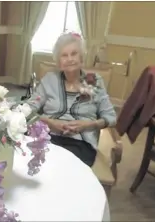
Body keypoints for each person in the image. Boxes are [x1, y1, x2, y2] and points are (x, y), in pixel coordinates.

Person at [26, 32, 117, 167]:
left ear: (81, 57)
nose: (70, 59)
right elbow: (27, 110)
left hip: (80, 142)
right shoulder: (50, 80)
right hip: (46, 136)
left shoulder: (94, 81)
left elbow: (111, 117)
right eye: (64, 55)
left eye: (74, 53)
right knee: (36, 165)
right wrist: (49, 122)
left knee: (64, 170)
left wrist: (88, 125)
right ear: (58, 62)